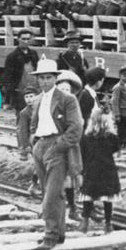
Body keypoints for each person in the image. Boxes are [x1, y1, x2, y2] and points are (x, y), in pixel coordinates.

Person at [29, 59, 84, 250]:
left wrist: (59, 145)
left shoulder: (67, 99)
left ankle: (49, 236)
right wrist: (34, 142)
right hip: (40, 146)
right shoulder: (37, 100)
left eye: (48, 78)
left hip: (56, 146)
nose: (44, 81)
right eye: (41, 78)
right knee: (50, 192)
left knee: (52, 194)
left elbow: (76, 127)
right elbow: (33, 123)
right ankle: (59, 233)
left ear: (55, 78)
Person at [79, 106, 121, 233]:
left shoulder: (86, 137)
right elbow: (115, 149)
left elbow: (82, 153)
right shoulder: (111, 137)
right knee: (108, 199)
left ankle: (85, 222)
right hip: (107, 170)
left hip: (91, 169)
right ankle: (108, 224)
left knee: (88, 197)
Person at [55, 70, 85, 222]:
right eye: (62, 89)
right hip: (54, 144)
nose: (65, 92)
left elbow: (77, 124)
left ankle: (73, 207)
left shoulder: (73, 104)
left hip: (69, 145)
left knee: (70, 176)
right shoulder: (51, 103)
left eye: (67, 89)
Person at [2, 29, 40, 113]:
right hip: (19, 91)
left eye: (28, 39)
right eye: (23, 39)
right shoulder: (12, 56)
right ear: (18, 39)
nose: (26, 41)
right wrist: (7, 99)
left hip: (34, 90)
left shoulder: (34, 54)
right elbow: (7, 77)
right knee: (21, 115)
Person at [15, 80, 41, 195]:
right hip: (33, 142)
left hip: (43, 139)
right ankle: (34, 185)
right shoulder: (24, 113)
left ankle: (36, 185)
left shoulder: (41, 108)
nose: (29, 99)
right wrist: (24, 148)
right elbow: (22, 131)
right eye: (27, 97)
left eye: (31, 96)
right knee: (39, 164)